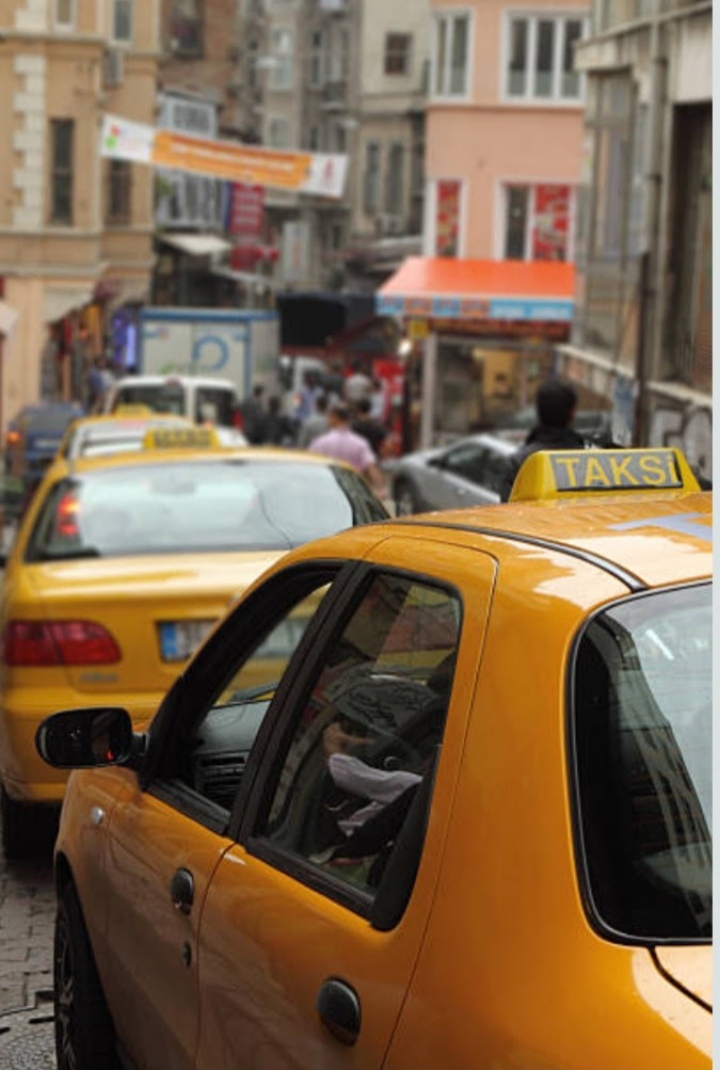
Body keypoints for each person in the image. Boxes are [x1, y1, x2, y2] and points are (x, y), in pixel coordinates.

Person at [499, 377, 587, 501]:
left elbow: (508, 508)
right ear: (573, 412)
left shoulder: (519, 463)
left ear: (538, 411)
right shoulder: (590, 462)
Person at [309, 403, 385, 495]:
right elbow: (371, 467)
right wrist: (381, 489)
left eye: (329, 417)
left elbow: (309, 465)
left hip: (326, 490)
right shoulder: (360, 443)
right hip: (352, 493)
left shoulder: (320, 442)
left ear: (334, 418)